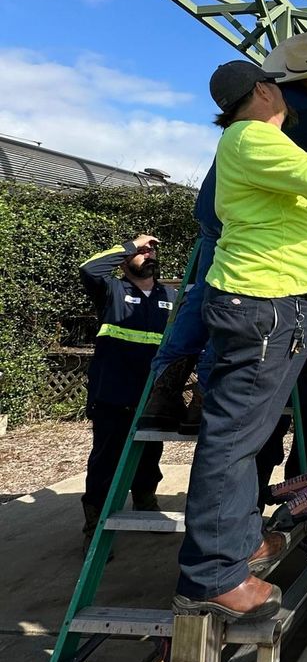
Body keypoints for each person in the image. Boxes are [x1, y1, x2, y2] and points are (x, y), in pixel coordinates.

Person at [173, 58, 307, 622]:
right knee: (233, 442)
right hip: (264, 304)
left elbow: (306, 195)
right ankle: (211, 577)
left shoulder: (254, 144)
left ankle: (241, 544)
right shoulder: (253, 138)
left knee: (245, 437)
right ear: (265, 91)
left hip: (271, 305)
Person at [140, 34, 307, 493]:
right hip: (249, 235)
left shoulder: (260, 114)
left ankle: (167, 389)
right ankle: (207, 395)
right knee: (232, 308)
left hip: (217, 216)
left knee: (201, 298)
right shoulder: (296, 112)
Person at [79, 235, 177, 548]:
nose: (149, 255)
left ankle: (145, 502)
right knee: (106, 459)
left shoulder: (171, 296)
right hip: (113, 392)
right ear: (124, 261)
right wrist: (132, 244)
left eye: (152, 251)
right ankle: (95, 525)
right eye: (141, 252)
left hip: (154, 395)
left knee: (150, 454)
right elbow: (90, 269)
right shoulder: (112, 290)